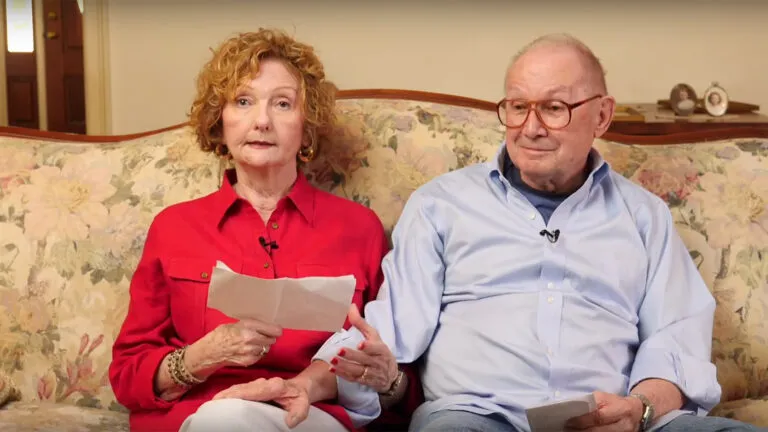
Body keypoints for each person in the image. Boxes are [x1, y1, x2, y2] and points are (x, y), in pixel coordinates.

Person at [312, 34, 764, 432]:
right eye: (517, 106)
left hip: (612, 423)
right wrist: (330, 373)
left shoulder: (644, 216)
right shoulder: (440, 205)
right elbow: (391, 325)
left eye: (554, 108)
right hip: (474, 417)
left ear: (602, 116)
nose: (530, 128)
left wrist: (638, 410)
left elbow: (676, 342)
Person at [109, 28, 393, 432]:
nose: (261, 120)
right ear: (220, 120)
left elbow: (398, 371)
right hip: (198, 416)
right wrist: (202, 356)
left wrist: (383, 378)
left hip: (310, 417)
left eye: (282, 104)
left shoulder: (359, 228)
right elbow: (127, 377)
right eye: (243, 101)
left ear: (306, 126)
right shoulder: (174, 227)